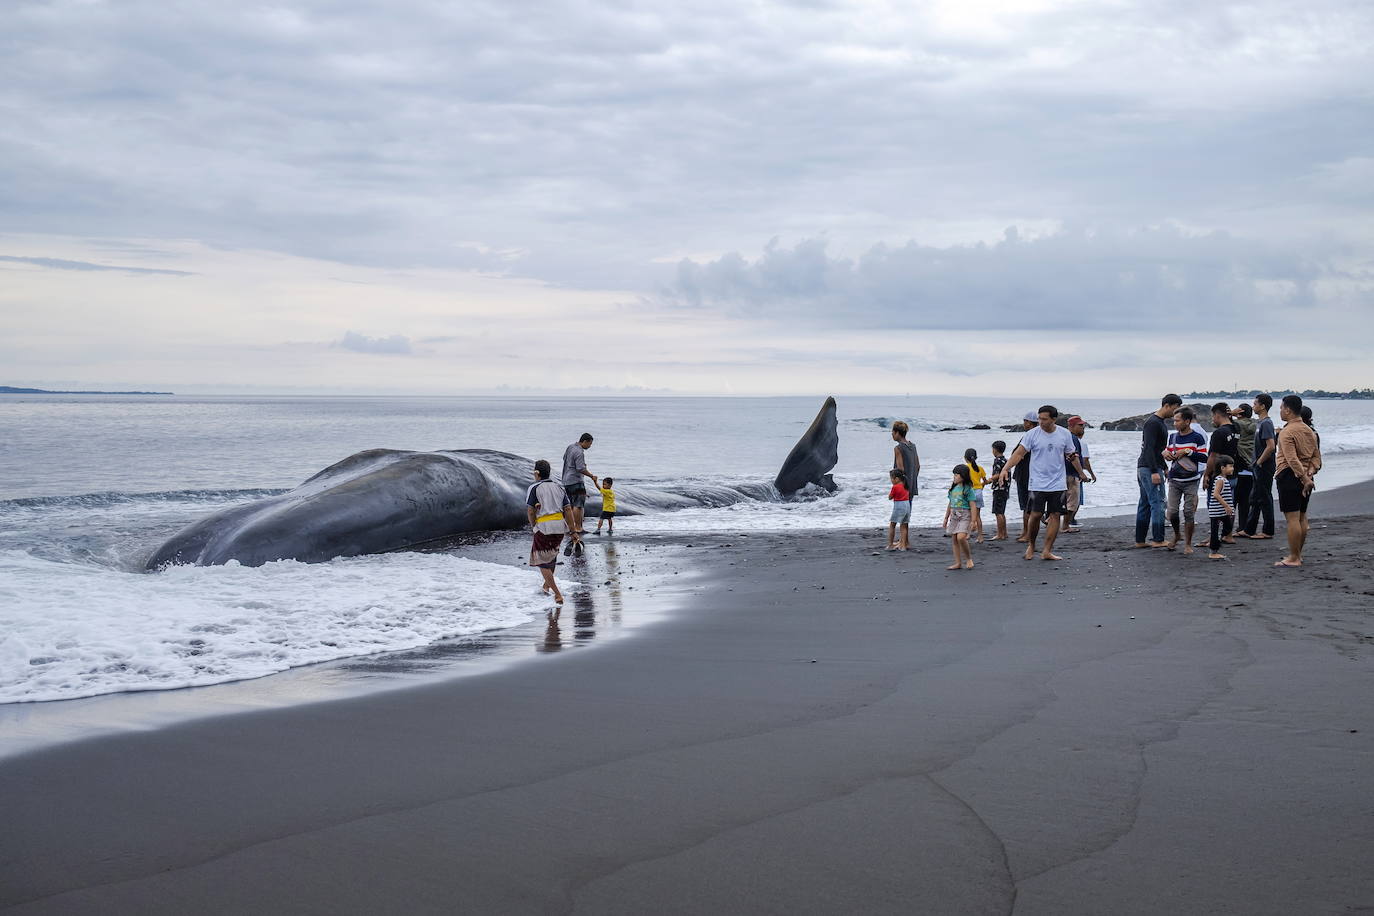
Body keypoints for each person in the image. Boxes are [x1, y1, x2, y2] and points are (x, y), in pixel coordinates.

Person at [993, 405, 1088, 561]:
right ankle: (1031, 545)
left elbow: (1072, 455)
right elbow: (1019, 454)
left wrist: (1081, 472)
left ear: (1053, 419)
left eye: (1044, 419)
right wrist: (1005, 469)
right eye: (1039, 418)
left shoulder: (1064, 434)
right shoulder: (1032, 435)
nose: (1041, 422)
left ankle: (1047, 550)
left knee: (1055, 515)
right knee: (1036, 515)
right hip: (1037, 482)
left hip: (1058, 483)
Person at [1275, 394, 1322, 567]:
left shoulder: (1287, 432)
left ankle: (1294, 557)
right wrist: (1309, 473)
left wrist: (1303, 476)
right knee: (1301, 517)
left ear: (1288, 410)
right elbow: (1317, 458)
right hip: (1306, 476)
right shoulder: (1309, 430)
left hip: (1290, 475)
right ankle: (1298, 554)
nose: (1280, 411)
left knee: (1292, 519)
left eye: (1281, 408)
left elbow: (1291, 459)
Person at [526, 459, 577, 605]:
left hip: (544, 527)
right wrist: (573, 531)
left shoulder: (534, 488)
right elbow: (568, 509)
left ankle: (557, 594)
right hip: (560, 527)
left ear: (537, 473)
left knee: (542, 561)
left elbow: (530, 510)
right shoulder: (559, 487)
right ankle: (546, 587)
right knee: (552, 556)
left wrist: (533, 526)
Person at [1135, 394, 1181, 548]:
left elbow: (1158, 450)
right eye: (1175, 409)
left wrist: (1165, 468)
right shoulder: (1153, 423)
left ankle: (1140, 540)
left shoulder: (1158, 422)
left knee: (1145, 503)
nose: (1175, 413)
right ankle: (1158, 539)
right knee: (1158, 503)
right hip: (1149, 468)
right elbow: (1148, 448)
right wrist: (1155, 471)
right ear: (1167, 405)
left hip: (1148, 467)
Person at [1164, 407, 1208, 554]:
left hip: (1191, 479)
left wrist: (1188, 452)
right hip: (1174, 479)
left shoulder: (1197, 437)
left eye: (1177, 420)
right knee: (1172, 512)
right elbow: (1169, 452)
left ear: (1187, 421)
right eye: (1174, 420)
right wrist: (1165, 453)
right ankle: (1177, 534)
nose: (1174, 423)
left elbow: (1204, 457)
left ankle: (1188, 544)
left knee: (1189, 512)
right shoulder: (1173, 437)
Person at [1204, 403, 1244, 548]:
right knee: (1229, 505)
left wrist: (1206, 475)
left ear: (1217, 415)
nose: (1212, 420)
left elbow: (1213, 456)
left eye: (1213, 416)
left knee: (1215, 507)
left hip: (1219, 474)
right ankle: (1227, 535)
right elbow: (1233, 422)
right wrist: (1231, 415)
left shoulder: (1219, 433)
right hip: (1232, 473)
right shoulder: (1236, 429)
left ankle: (1213, 538)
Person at [1241, 393, 1277, 540]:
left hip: (1264, 466)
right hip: (1257, 466)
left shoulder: (1267, 423)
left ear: (1262, 406)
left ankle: (1268, 531)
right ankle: (1249, 529)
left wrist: (1260, 462)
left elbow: (1271, 446)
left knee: (1265, 498)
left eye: (1255, 404)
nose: (1253, 406)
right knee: (1254, 498)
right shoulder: (1259, 423)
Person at [561, 433, 599, 555]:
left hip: (566, 480)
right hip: (576, 481)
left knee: (570, 505)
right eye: (590, 443)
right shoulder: (579, 452)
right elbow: (580, 468)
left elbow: (564, 459)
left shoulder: (570, 447)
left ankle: (570, 528)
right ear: (585, 441)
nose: (590, 446)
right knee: (578, 504)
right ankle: (578, 527)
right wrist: (591, 475)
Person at [1061, 416, 1097, 532]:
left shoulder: (1064, 437)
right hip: (1071, 474)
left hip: (1061, 473)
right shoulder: (1073, 439)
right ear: (1071, 426)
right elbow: (1073, 457)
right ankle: (1065, 526)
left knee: (1062, 501)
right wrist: (1081, 473)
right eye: (1080, 426)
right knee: (1072, 503)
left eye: (1083, 425)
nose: (1083, 428)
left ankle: (1051, 521)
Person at [1229, 403, 1257, 534]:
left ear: (1240, 413)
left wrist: (1231, 414)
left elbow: (1221, 424)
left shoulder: (1238, 425)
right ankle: (1243, 527)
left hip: (1238, 466)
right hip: (1250, 466)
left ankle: (1228, 529)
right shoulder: (1254, 424)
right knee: (1245, 502)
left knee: (1232, 501)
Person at [942, 464, 975, 570]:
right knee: (954, 539)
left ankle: (969, 559)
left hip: (965, 515)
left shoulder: (968, 489)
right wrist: (946, 518)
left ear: (963, 476)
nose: (954, 477)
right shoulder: (953, 489)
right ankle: (958, 563)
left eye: (956, 475)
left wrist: (973, 521)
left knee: (961, 537)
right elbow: (950, 504)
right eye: (954, 475)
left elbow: (973, 505)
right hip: (954, 516)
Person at [891, 421, 919, 543]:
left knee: (901, 515)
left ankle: (903, 542)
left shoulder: (898, 448)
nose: (892, 434)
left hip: (902, 488)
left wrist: (897, 483)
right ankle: (905, 541)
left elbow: (900, 469)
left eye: (893, 432)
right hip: (911, 485)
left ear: (897, 433)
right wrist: (912, 480)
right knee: (907, 515)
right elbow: (918, 466)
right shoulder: (913, 446)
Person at [1206, 455, 1237, 561]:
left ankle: (1217, 541)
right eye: (1230, 466)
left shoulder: (1223, 479)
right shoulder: (1220, 480)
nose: (1232, 468)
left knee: (1227, 527)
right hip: (1217, 511)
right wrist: (1226, 506)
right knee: (1216, 530)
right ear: (1222, 468)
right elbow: (1216, 494)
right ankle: (1213, 551)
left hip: (1222, 511)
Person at [1012, 412, 1036, 542]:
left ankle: (1027, 533)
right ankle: (1025, 531)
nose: (1023, 424)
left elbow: (1016, 453)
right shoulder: (1032, 435)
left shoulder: (1030, 436)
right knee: (1026, 506)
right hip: (1026, 474)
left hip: (1026, 475)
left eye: (1025, 421)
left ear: (1029, 423)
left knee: (1028, 506)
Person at [964, 448, 987, 543]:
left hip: (970, 493)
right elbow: (985, 481)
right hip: (978, 492)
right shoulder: (980, 468)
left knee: (968, 515)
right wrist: (981, 487)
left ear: (965, 458)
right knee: (977, 516)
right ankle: (980, 536)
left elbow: (964, 482)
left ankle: (968, 534)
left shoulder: (965, 468)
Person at [988, 440, 1010, 541]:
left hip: (999, 488)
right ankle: (1004, 533)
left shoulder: (997, 460)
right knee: (1002, 511)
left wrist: (989, 480)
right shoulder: (1006, 460)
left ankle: (1000, 534)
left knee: (998, 512)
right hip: (1005, 488)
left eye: (993, 449)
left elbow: (997, 474)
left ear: (995, 450)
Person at [887, 469, 911, 551]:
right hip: (907, 505)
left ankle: (890, 544)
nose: (891, 481)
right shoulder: (905, 485)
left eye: (891, 479)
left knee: (892, 525)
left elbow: (890, 497)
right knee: (903, 526)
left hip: (899, 506)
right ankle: (903, 546)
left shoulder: (895, 487)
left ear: (896, 479)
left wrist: (890, 495)